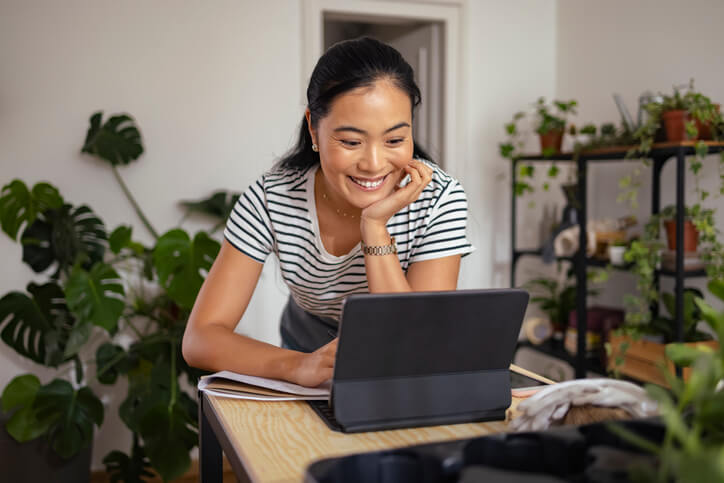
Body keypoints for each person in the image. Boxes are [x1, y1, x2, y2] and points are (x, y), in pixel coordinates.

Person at [182, 37, 474, 388]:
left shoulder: (439, 197)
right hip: (306, 350)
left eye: (394, 140)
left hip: (402, 364)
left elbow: (411, 343)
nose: (374, 164)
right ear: (313, 128)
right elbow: (200, 338)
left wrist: (376, 227)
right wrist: (298, 366)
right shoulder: (271, 198)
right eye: (351, 142)